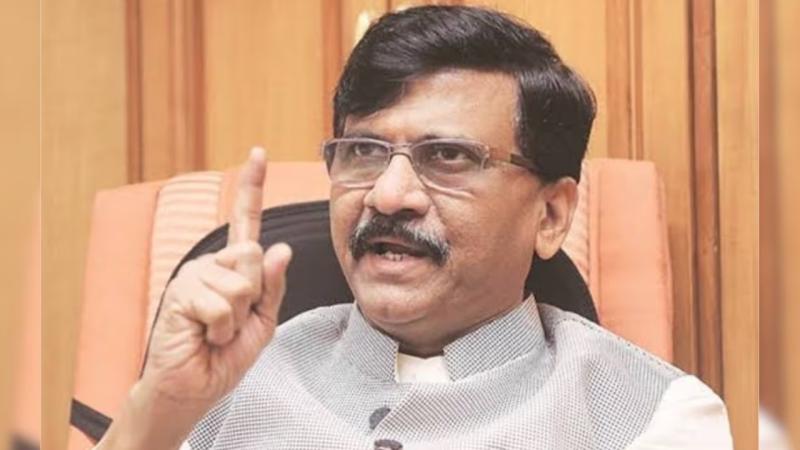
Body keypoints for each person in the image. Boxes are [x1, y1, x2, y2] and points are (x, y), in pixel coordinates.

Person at [97, 5, 732, 449]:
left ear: (551, 215)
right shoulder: (219, 393)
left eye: (448, 156)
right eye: (363, 151)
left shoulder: (653, 418)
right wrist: (159, 408)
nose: (388, 194)